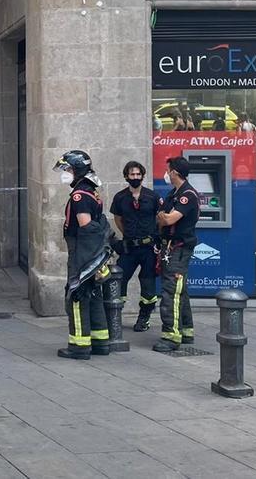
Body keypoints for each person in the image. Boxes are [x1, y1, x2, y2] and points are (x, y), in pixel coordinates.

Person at [53, 150, 113, 360]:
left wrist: (83, 267)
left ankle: (79, 346)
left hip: (82, 252)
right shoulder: (92, 190)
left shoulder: (80, 195)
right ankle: (99, 342)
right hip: (92, 253)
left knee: (77, 296)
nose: (65, 173)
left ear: (77, 169)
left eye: (68, 169)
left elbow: (86, 226)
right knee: (94, 297)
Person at [154, 156, 200, 352]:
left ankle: (171, 336)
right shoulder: (174, 193)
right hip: (171, 247)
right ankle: (186, 330)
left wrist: (164, 218)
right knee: (181, 290)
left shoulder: (187, 195)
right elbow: (160, 217)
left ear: (174, 172)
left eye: (168, 170)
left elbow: (169, 219)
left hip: (179, 248)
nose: (166, 173)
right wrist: (163, 218)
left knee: (171, 291)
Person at [109, 161, 160, 332]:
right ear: (126, 176)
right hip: (129, 248)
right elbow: (117, 219)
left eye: (138, 175)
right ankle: (114, 316)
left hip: (148, 248)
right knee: (119, 280)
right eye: (132, 175)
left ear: (143, 176)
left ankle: (144, 318)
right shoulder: (120, 197)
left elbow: (160, 218)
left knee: (148, 284)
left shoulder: (152, 197)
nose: (135, 177)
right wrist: (128, 235)